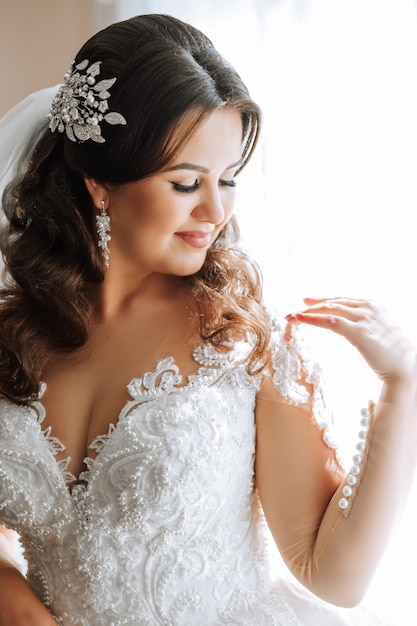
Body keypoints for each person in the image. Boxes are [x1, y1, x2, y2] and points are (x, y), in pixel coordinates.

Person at [0, 13, 415, 626]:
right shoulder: (16, 335)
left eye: (227, 180)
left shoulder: (241, 340)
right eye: (186, 182)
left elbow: (333, 577)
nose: (215, 210)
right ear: (99, 183)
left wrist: (401, 388)